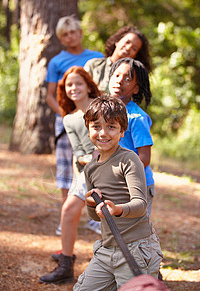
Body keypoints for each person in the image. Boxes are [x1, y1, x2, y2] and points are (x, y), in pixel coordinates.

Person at [73, 95, 163, 291]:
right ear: (88, 129)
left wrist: (118, 209)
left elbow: (140, 205)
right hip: (108, 249)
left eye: (111, 127)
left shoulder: (129, 159)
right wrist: (90, 203)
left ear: (122, 131)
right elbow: (95, 217)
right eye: (96, 126)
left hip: (136, 249)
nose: (103, 133)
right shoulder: (90, 169)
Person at [39, 66, 101, 285]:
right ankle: (66, 264)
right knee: (68, 210)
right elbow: (79, 153)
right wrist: (79, 179)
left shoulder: (100, 107)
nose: (74, 88)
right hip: (85, 171)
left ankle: (134, 263)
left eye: (78, 83)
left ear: (88, 85)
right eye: (69, 85)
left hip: (109, 168)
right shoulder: (69, 119)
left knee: (110, 217)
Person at [46, 15, 103, 235]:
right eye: (65, 34)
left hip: (94, 119)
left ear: (80, 33)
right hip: (65, 121)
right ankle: (67, 215)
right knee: (66, 170)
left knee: (95, 164)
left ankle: (95, 217)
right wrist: (67, 115)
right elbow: (51, 95)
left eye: (73, 32)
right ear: (61, 38)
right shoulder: (57, 62)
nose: (70, 37)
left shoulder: (97, 58)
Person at [108, 57, 155, 216]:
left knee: (136, 233)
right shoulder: (105, 113)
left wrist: (121, 174)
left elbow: (144, 158)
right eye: (116, 75)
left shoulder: (136, 118)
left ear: (136, 89)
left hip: (137, 186)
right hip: (115, 184)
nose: (120, 81)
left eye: (127, 79)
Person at [84, 25, 152, 93]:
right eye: (127, 42)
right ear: (117, 41)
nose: (128, 48)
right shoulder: (94, 65)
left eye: (134, 48)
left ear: (135, 55)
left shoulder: (133, 76)